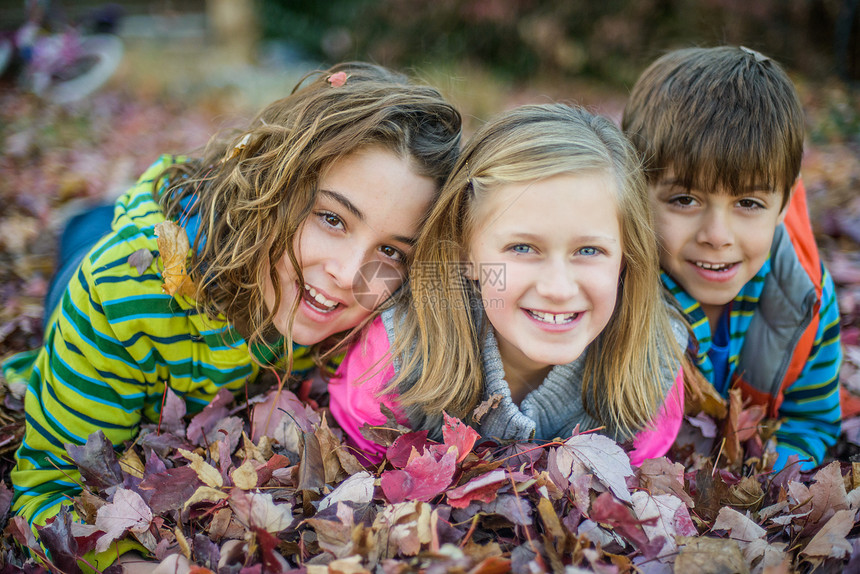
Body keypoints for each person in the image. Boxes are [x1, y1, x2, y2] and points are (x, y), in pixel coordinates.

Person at [2, 61, 461, 556]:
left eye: (392, 251)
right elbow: (48, 493)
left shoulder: (385, 307)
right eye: (331, 218)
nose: (351, 275)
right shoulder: (124, 293)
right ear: (273, 185)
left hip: (223, 222)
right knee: (88, 230)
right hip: (102, 261)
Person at [329, 104, 687, 465]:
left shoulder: (653, 367)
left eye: (589, 250)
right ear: (465, 253)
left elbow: (632, 479)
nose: (558, 288)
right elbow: (375, 466)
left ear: (625, 256)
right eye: (522, 248)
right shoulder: (397, 356)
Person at [621, 46, 842, 472]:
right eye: (684, 199)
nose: (716, 236)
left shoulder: (804, 298)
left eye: (748, 203)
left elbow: (810, 421)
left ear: (784, 205)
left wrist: (767, 479)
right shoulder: (614, 288)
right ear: (635, 190)